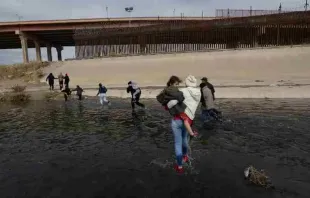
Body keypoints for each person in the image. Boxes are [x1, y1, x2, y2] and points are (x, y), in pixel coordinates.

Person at [160, 75, 201, 173]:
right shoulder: (199, 93)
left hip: (177, 119)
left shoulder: (181, 91)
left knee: (178, 143)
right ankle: (185, 156)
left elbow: (168, 103)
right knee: (184, 140)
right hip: (189, 120)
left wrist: (167, 106)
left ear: (186, 83)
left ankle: (179, 166)